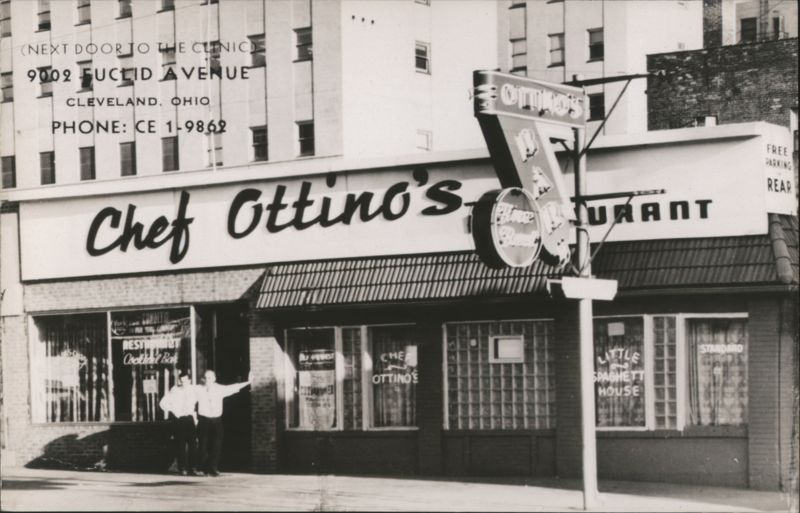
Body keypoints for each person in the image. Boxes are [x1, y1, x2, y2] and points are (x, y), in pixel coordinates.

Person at [196, 369, 251, 477]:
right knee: (203, 445)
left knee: (216, 445)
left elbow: (234, 387)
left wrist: (248, 382)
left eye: (211, 377)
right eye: (206, 378)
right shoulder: (198, 390)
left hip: (216, 420)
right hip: (204, 420)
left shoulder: (219, 389)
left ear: (215, 379)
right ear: (203, 379)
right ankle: (202, 468)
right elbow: (186, 395)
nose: (208, 380)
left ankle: (213, 468)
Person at [159, 372, 200, 476]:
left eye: (186, 381)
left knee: (193, 444)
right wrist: (174, 411)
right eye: (182, 381)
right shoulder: (175, 390)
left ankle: (193, 468)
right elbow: (163, 403)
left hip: (190, 418)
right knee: (180, 444)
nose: (183, 383)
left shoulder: (194, 390)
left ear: (189, 381)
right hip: (179, 419)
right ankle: (182, 468)